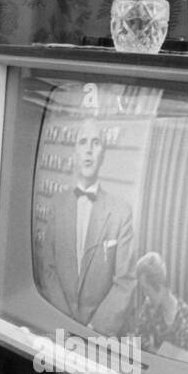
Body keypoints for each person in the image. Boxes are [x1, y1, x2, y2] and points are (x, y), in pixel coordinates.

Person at [36, 118, 136, 334]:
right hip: (58, 327)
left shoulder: (121, 212)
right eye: (83, 142)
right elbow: (49, 269)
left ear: (103, 156)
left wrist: (93, 329)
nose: (89, 150)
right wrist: (64, 322)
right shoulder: (58, 204)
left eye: (96, 143)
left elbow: (125, 282)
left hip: (99, 335)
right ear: (75, 153)